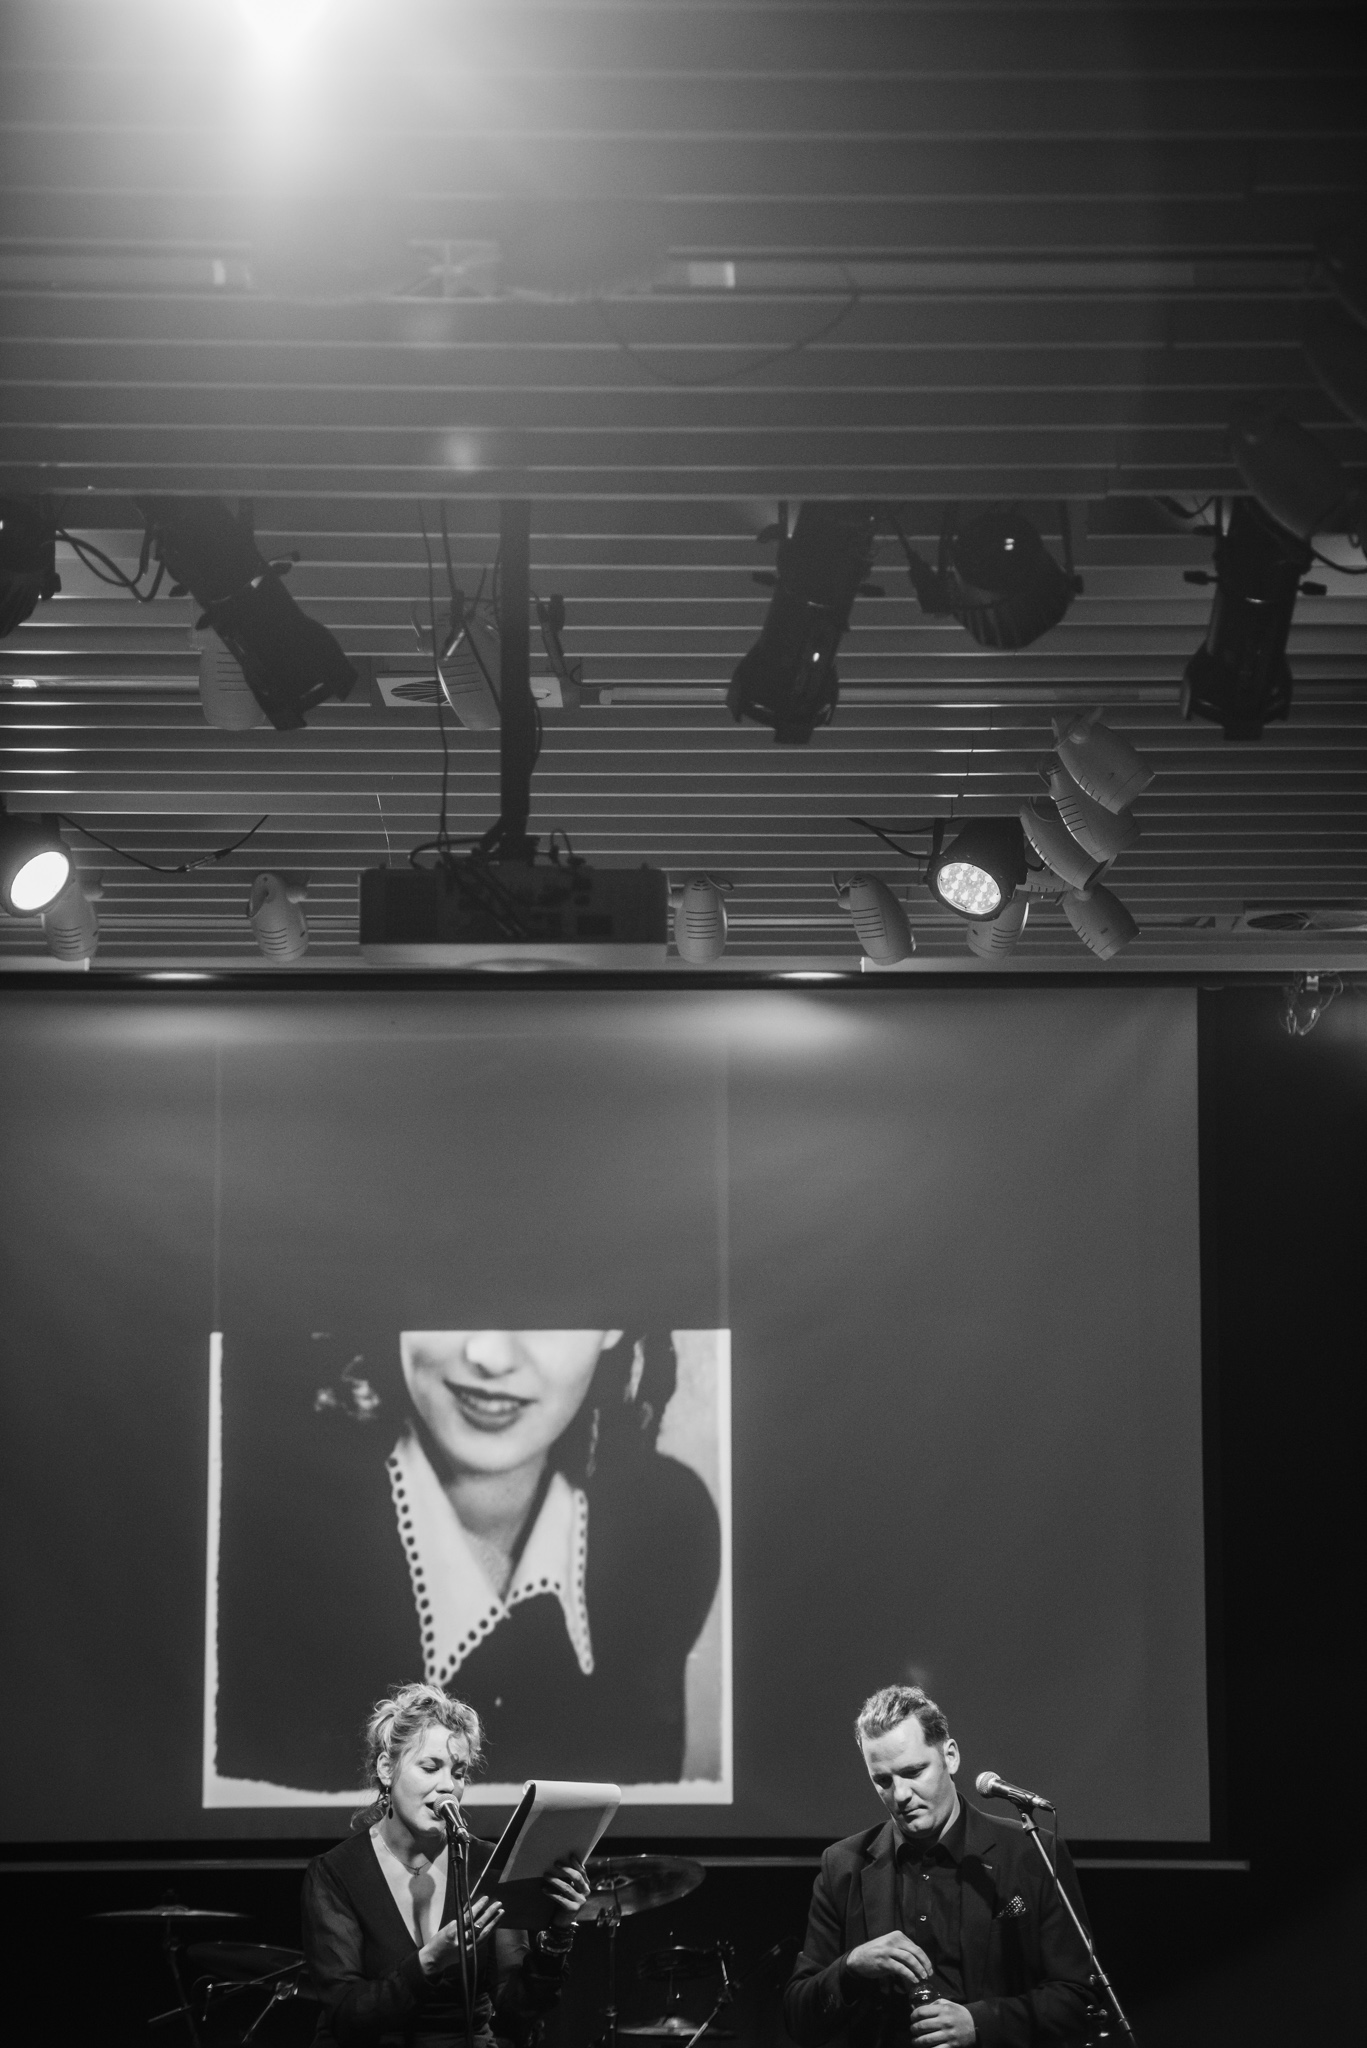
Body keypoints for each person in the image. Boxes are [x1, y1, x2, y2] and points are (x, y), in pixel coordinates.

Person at [215, 1328, 721, 1792]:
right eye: (450, 1294)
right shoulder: (267, 1533)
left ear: (612, 1328)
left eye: (543, 1302)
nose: (489, 1356)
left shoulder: (664, 1526)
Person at [783, 1686, 1095, 2048]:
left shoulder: (1030, 1852)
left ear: (950, 1756)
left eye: (914, 1772)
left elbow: (1080, 1997)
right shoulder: (842, 1866)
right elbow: (798, 2019)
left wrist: (980, 2023)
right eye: (883, 1781)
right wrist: (851, 1965)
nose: (900, 1795)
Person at [301, 1681, 592, 2047]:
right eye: (430, 1767)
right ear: (387, 1769)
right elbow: (347, 2014)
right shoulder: (336, 1873)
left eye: (458, 1773)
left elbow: (516, 2011)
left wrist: (559, 1932)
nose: (447, 1786)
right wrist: (430, 1960)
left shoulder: (485, 1864)